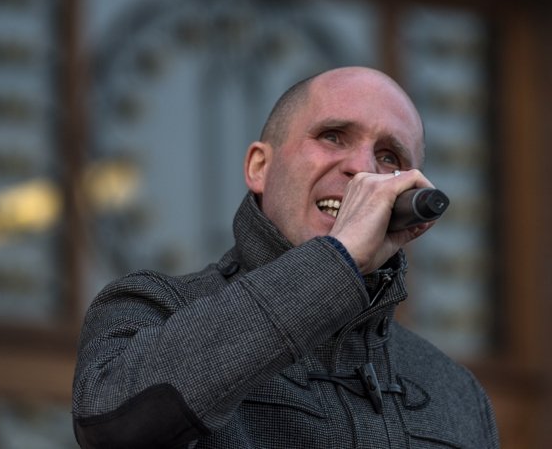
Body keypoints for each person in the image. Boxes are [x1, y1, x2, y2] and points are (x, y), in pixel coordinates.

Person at [72, 67, 499, 448]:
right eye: (333, 136)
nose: (363, 169)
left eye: (389, 157)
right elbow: (110, 426)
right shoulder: (154, 307)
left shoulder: (454, 391)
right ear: (259, 167)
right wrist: (338, 260)